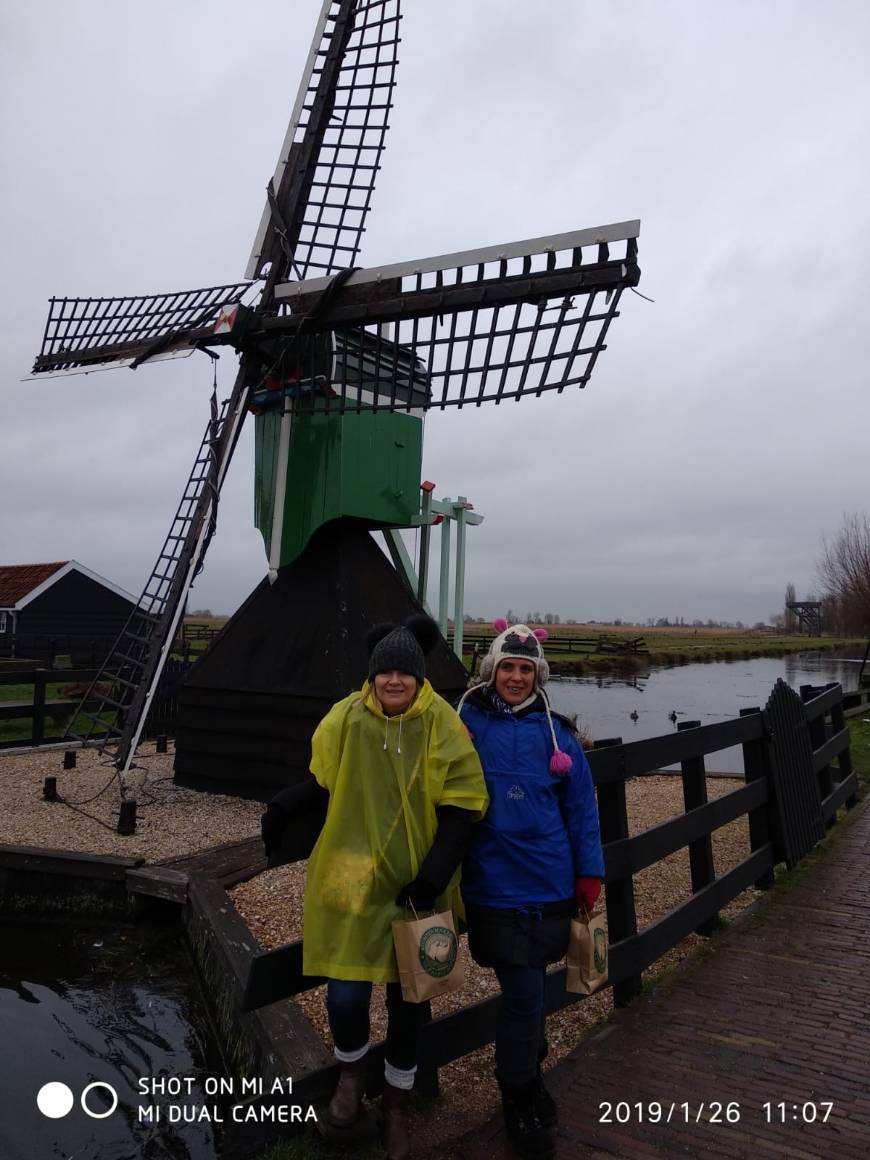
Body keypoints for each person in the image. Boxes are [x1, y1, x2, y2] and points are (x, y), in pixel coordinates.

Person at [262, 614, 488, 1160]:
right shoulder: (347, 719)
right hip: (352, 877)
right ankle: (350, 1078)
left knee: (411, 996)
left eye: (403, 672)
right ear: (372, 676)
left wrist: (434, 875)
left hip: (417, 885)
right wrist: (288, 803)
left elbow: (462, 805)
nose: (393, 680)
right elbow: (326, 780)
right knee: (345, 991)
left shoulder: (443, 725)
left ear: (418, 677)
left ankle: (394, 1104)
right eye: (384, 670)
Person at [456, 620, 605, 1160]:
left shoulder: (558, 735)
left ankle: (529, 1069)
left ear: (536, 675)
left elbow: (582, 810)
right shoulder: (463, 723)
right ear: (491, 670)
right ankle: (517, 1091)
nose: (515, 677)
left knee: (533, 988)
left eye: (525, 669)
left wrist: (589, 872)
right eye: (507, 667)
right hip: (493, 882)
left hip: (549, 882)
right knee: (523, 992)